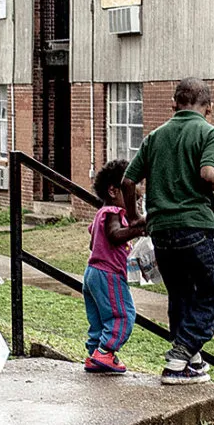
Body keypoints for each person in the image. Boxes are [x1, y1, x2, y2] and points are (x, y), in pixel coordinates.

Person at [120, 77, 214, 384]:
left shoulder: (155, 137)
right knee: (210, 293)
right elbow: (208, 173)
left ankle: (189, 363)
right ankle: (180, 355)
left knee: (180, 295)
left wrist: (133, 217)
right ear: (208, 108)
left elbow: (128, 181)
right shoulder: (210, 134)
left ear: (174, 105)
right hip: (198, 228)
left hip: (162, 231)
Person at [83, 159, 145, 376]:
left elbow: (95, 241)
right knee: (123, 315)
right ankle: (105, 351)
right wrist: (137, 230)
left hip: (92, 272)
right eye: (132, 199)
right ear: (113, 190)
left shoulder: (101, 213)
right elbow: (114, 235)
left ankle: (94, 355)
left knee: (99, 318)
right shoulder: (113, 212)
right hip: (109, 274)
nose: (134, 206)